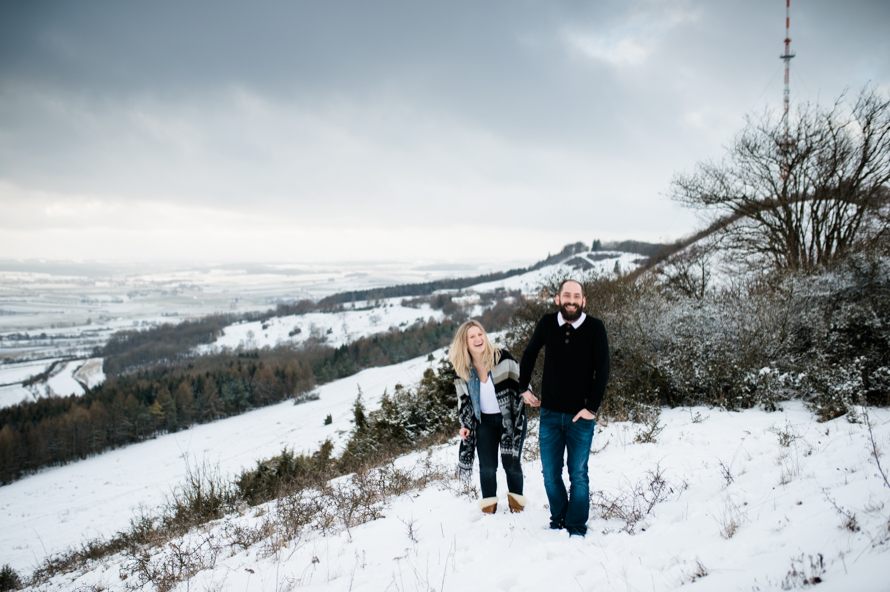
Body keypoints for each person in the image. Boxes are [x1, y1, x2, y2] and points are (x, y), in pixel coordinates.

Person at [519, 279, 610, 536]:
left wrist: (591, 408)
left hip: (580, 417)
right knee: (549, 473)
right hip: (549, 414)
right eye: (566, 295)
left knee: (578, 474)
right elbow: (529, 353)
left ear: (584, 301)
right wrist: (522, 388)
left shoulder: (595, 328)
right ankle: (559, 517)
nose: (572, 299)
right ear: (558, 299)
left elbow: (602, 370)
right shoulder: (548, 323)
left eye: (577, 296)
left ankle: (576, 526)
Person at [449, 320, 527, 514]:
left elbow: (522, 382)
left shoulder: (503, 358)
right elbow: (464, 401)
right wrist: (464, 425)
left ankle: (517, 506)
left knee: (511, 463)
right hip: (484, 423)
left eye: (480, 334)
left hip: (510, 420)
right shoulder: (462, 369)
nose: (478, 339)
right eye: (472, 336)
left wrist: (528, 395)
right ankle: (489, 508)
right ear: (464, 343)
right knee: (487, 467)